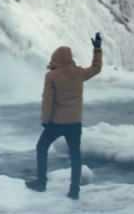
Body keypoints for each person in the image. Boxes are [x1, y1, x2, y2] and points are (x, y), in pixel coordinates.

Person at [26, 32, 103, 199]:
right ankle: (74, 190)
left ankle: (41, 182)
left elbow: (48, 100)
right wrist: (97, 49)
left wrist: (46, 121)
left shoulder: (51, 76)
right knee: (75, 155)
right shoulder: (79, 73)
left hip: (56, 122)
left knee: (41, 147)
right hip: (75, 123)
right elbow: (96, 69)